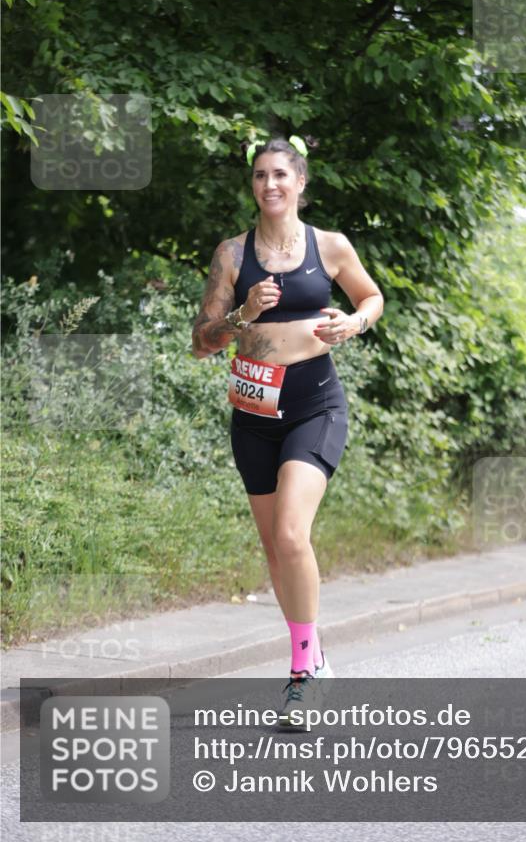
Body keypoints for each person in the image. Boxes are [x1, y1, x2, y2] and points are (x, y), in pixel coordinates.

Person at [192, 134, 384, 724]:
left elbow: (372, 297)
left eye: (280, 174)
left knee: (293, 535)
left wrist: (353, 323)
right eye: (260, 175)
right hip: (253, 417)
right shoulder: (232, 255)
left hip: (314, 407)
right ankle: (315, 656)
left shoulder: (330, 246)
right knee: (276, 548)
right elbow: (202, 342)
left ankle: (303, 674)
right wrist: (243, 313)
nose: (269, 184)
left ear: (300, 182)